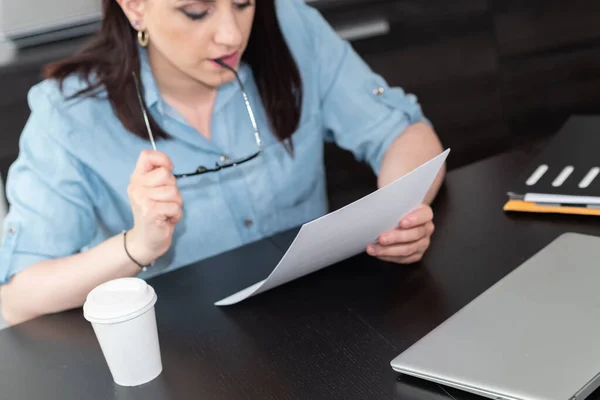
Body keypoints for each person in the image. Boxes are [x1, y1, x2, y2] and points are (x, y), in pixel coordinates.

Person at [0, 0, 445, 327]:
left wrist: (397, 215)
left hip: (323, 321)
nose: (231, 35)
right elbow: (17, 298)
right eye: (196, 12)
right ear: (135, 7)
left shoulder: (292, 28)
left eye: (243, 3)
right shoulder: (70, 114)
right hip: (186, 355)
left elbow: (404, 132)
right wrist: (138, 246)